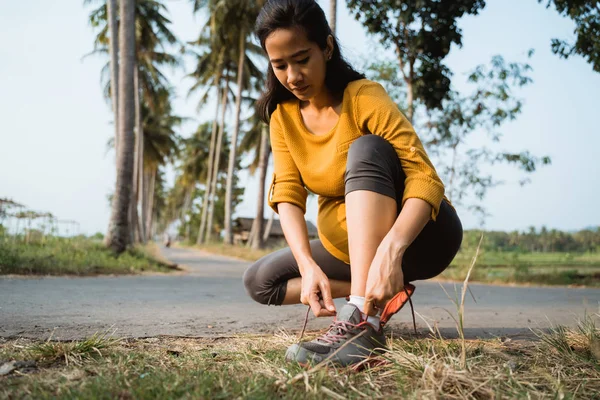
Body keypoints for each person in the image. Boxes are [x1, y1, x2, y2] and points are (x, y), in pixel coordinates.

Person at [243, 0, 463, 367]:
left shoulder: (363, 97)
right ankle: (378, 295)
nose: (292, 75)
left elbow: (425, 177)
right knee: (260, 281)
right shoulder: (282, 117)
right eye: (279, 65)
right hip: (345, 247)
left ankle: (362, 322)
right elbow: (288, 194)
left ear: (326, 48)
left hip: (420, 237)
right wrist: (308, 265)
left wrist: (390, 252)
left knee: (367, 148)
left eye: (301, 59)